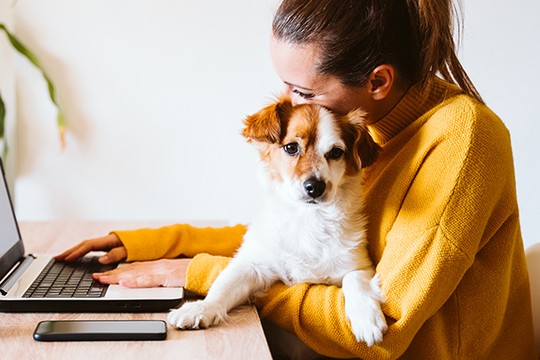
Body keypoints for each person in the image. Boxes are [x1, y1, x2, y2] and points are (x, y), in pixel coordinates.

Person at [56, 0, 538, 358]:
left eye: (302, 88)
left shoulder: (462, 141)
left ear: (377, 81)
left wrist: (206, 276)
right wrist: (157, 243)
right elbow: (290, 237)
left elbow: (381, 332)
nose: (286, 102)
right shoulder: (361, 129)